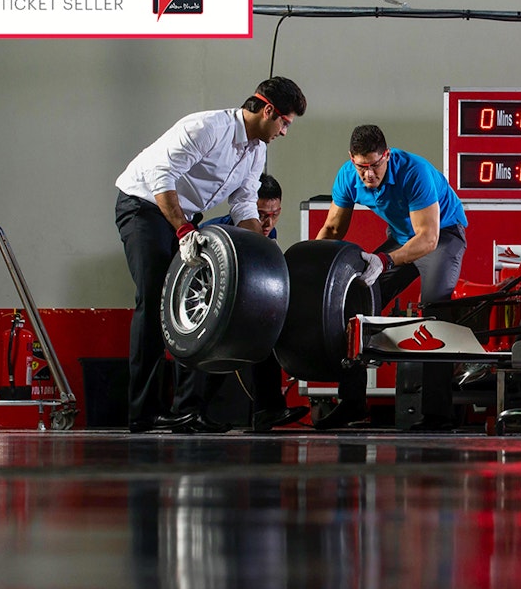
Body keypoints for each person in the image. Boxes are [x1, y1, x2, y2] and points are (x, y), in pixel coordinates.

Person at [115, 76, 306, 433]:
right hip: (144, 207)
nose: (284, 132)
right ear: (268, 111)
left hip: (183, 216)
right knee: (156, 300)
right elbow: (162, 175)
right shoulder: (206, 127)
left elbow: (244, 203)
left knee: (198, 309)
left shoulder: (257, 149)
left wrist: (264, 253)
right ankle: (142, 413)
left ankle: (189, 411)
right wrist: (184, 230)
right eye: (285, 122)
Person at [313, 124, 468, 431]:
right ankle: (352, 403)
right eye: (361, 167)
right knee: (354, 304)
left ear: (387, 155)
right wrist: (315, 271)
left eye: (374, 166)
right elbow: (332, 230)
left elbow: (428, 239)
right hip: (400, 237)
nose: (368, 176)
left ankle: (438, 415)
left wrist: (384, 260)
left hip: (442, 236)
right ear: (351, 160)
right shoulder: (348, 176)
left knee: (435, 312)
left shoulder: (415, 172)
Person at [199, 172, 311, 432]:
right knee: (216, 352)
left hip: (242, 310)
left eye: (274, 214)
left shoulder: (268, 234)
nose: (267, 222)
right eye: (261, 214)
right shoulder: (215, 232)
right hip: (210, 313)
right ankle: (196, 413)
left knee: (266, 337)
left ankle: (267, 410)